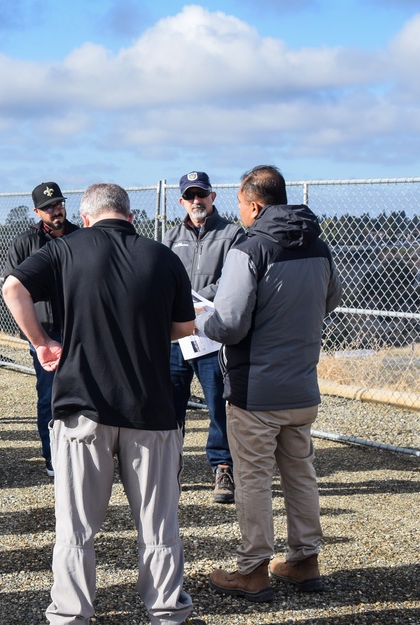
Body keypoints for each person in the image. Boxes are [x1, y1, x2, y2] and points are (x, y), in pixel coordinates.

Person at [2, 183, 200, 625]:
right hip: (150, 410)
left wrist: (42, 343)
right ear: (130, 217)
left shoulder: (65, 250)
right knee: (158, 524)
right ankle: (167, 612)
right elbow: (185, 327)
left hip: (81, 405)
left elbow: (12, 287)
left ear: (87, 217)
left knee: (76, 527)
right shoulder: (162, 256)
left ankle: (71, 615)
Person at [201, 165, 341, 602]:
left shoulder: (251, 248)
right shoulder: (318, 244)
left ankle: (253, 569)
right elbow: (332, 300)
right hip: (302, 386)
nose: (239, 212)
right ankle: (304, 559)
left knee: (254, 479)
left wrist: (203, 323)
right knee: (301, 474)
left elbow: (231, 323)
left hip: (255, 390)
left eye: (241, 205)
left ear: (255, 205)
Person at [163, 171, 245, 504]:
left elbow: (233, 278)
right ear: (181, 201)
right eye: (190, 196)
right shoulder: (170, 238)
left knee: (218, 405)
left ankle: (223, 467)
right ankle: (167, 467)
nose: (197, 201)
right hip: (176, 336)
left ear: (212, 197)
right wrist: (182, 307)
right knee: (169, 404)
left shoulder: (232, 234)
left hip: (213, 335)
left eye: (202, 195)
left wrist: (195, 304)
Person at [4, 181, 79, 477]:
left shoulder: (81, 236)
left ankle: (82, 451)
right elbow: (12, 287)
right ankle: (53, 456)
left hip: (79, 328)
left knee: (85, 394)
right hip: (45, 331)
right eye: (48, 207)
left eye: (58, 204)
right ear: (37, 211)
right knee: (48, 394)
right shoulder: (25, 242)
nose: (55, 210)